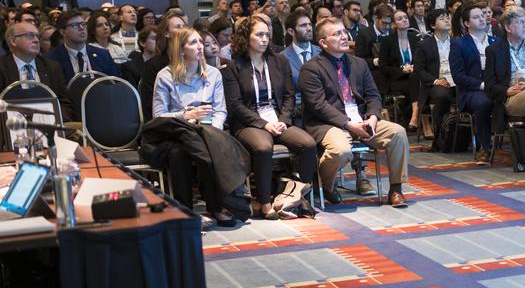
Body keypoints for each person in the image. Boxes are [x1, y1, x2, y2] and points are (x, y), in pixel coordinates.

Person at [298, 17, 410, 206]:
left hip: (362, 120)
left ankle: (396, 189)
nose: (344, 37)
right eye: (336, 34)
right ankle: (326, 185)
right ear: (323, 43)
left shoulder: (358, 63)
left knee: (397, 133)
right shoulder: (311, 68)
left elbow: (374, 96)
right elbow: (318, 106)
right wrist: (349, 124)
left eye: (344, 32)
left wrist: (373, 118)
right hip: (329, 124)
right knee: (341, 150)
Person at [222, 17, 318, 219]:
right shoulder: (234, 66)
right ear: (246, 37)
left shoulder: (279, 61)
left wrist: (283, 119)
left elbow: (289, 96)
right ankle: (264, 203)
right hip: (249, 123)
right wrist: (264, 124)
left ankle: (301, 198)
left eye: (267, 34)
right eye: (259, 34)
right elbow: (235, 105)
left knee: (308, 144)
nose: (265, 39)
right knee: (264, 148)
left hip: (277, 118)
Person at [150, 27, 236, 226]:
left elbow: (220, 110)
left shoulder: (213, 74)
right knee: (179, 153)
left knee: (210, 146)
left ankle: (216, 207)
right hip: (175, 133)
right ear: (180, 50)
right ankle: (185, 210)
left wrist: (213, 129)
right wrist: (185, 115)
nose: (200, 46)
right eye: (193, 43)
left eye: (200, 42)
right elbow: (159, 115)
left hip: (206, 131)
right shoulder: (165, 76)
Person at [448, 2, 496, 162]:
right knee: (484, 102)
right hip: (471, 90)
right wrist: (482, 85)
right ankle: (485, 146)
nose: (482, 19)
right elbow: (458, 76)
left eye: (483, 15)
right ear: (467, 23)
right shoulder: (459, 44)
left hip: (495, 87)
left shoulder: (495, 41)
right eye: (476, 17)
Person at [49, 10, 119, 116]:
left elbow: (115, 86)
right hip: (71, 115)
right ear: (63, 32)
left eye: (83, 24)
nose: (81, 28)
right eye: (75, 25)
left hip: (103, 111)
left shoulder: (103, 54)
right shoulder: (51, 59)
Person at [484, 6, 525, 122]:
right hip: (513, 98)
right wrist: (506, 91)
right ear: (507, 27)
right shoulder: (494, 50)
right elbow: (489, 86)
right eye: (520, 22)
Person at [1, 21, 69, 116]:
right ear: (13, 41)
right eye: (30, 36)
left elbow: (64, 102)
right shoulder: (2, 67)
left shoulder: (52, 67)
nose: (36, 40)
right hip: (11, 124)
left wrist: (58, 119)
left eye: (37, 36)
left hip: (49, 122)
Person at [413, 9, 454, 144]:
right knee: (443, 95)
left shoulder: (457, 43)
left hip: (457, 81)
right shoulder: (424, 44)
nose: (447, 20)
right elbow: (419, 69)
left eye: (448, 17)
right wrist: (436, 80)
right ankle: (441, 136)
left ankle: (464, 134)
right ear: (432, 25)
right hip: (435, 83)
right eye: (442, 18)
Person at [378, 8, 423, 121]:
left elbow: (421, 61)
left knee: (416, 80)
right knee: (420, 87)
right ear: (393, 24)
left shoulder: (415, 39)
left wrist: (414, 67)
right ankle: (418, 119)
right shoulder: (387, 41)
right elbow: (383, 67)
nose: (404, 20)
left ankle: (413, 117)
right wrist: (402, 70)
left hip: (414, 76)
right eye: (399, 19)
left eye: (405, 17)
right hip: (396, 79)